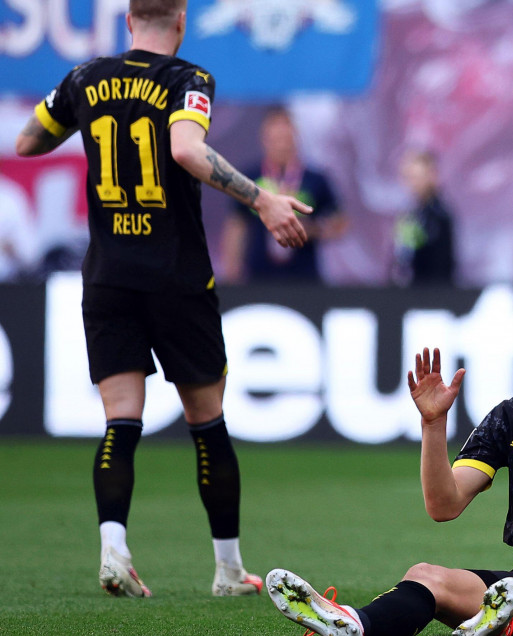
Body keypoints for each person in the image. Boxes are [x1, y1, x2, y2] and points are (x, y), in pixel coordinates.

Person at [15, 0, 311, 598]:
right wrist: (263, 200)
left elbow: (27, 143)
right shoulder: (188, 79)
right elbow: (184, 150)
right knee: (209, 424)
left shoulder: (85, 78)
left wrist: (88, 119)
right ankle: (229, 570)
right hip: (175, 276)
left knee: (121, 421)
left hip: (107, 277)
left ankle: (114, 550)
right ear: (180, 22)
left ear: (128, 21)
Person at [266, 282, 513, 636]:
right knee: (425, 576)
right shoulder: (512, 417)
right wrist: (433, 424)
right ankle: (354, 624)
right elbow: (444, 505)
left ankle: (506, 629)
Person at [221, 106, 347, 283]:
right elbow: (236, 224)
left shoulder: (315, 179)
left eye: (285, 137)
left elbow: (340, 223)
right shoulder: (250, 178)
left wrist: (313, 230)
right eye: (275, 138)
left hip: (304, 276)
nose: (281, 143)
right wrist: (232, 269)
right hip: (258, 276)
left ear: (295, 137)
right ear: (264, 138)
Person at [393, 149, 456, 286]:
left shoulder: (439, 217)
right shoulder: (409, 215)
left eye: (417, 177)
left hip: (431, 296)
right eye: (408, 177)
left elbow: (441, 264)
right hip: (407, 294)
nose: (412, 183)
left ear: (432, 176)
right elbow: (402, 257)